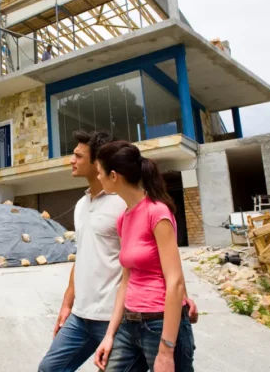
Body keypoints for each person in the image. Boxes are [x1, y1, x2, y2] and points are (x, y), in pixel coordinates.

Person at [38, 131, 197, 372]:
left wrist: (180, 300)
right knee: (49, 368)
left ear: (104, 169)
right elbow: (100, 263)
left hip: (139, 316)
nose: (71, 161)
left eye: (79, 156)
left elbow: (168, 270)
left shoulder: (141, 207)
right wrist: (68, 302)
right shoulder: (98, 210)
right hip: (103, 317)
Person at [93, 141, 195, 372]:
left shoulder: (157, 212)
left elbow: (174, 280)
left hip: (160, 324)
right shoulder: (124, 218)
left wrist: (167, 350)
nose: (98, 178)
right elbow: (126, 280)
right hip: (130, 325)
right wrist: (110, 335)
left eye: (100, 173)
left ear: (113, 176)